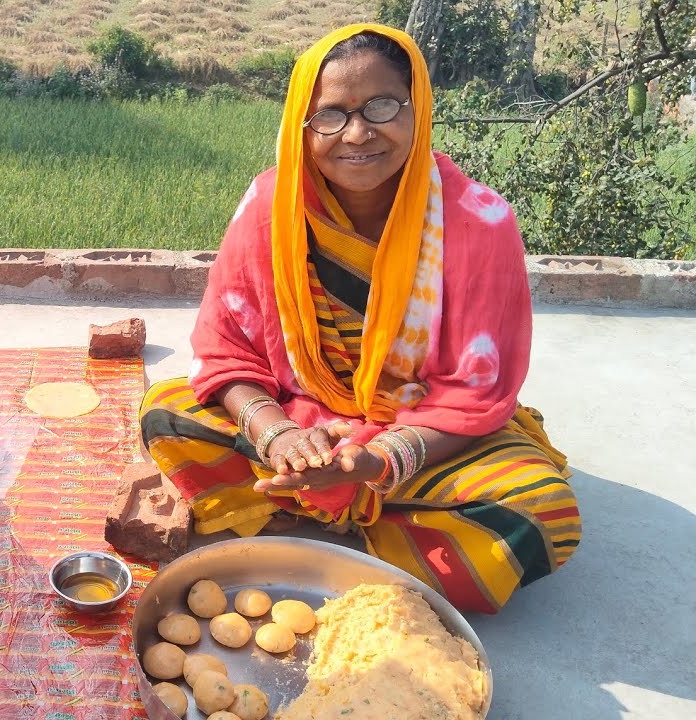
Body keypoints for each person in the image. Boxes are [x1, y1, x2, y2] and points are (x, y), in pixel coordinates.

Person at [140, 24, 581, 614]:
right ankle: (364, 531)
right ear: (302, 122)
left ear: (416, 107)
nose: (357, 133)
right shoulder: (271, 208)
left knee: (539, 512)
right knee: (166, 415)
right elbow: (226, 352)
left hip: (421, 432)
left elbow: (476, 394)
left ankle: (325, 522)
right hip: (300, 422)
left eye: (381, 106)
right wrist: (280, 435)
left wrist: (375, 460)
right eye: (330, 115)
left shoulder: (479, 222)